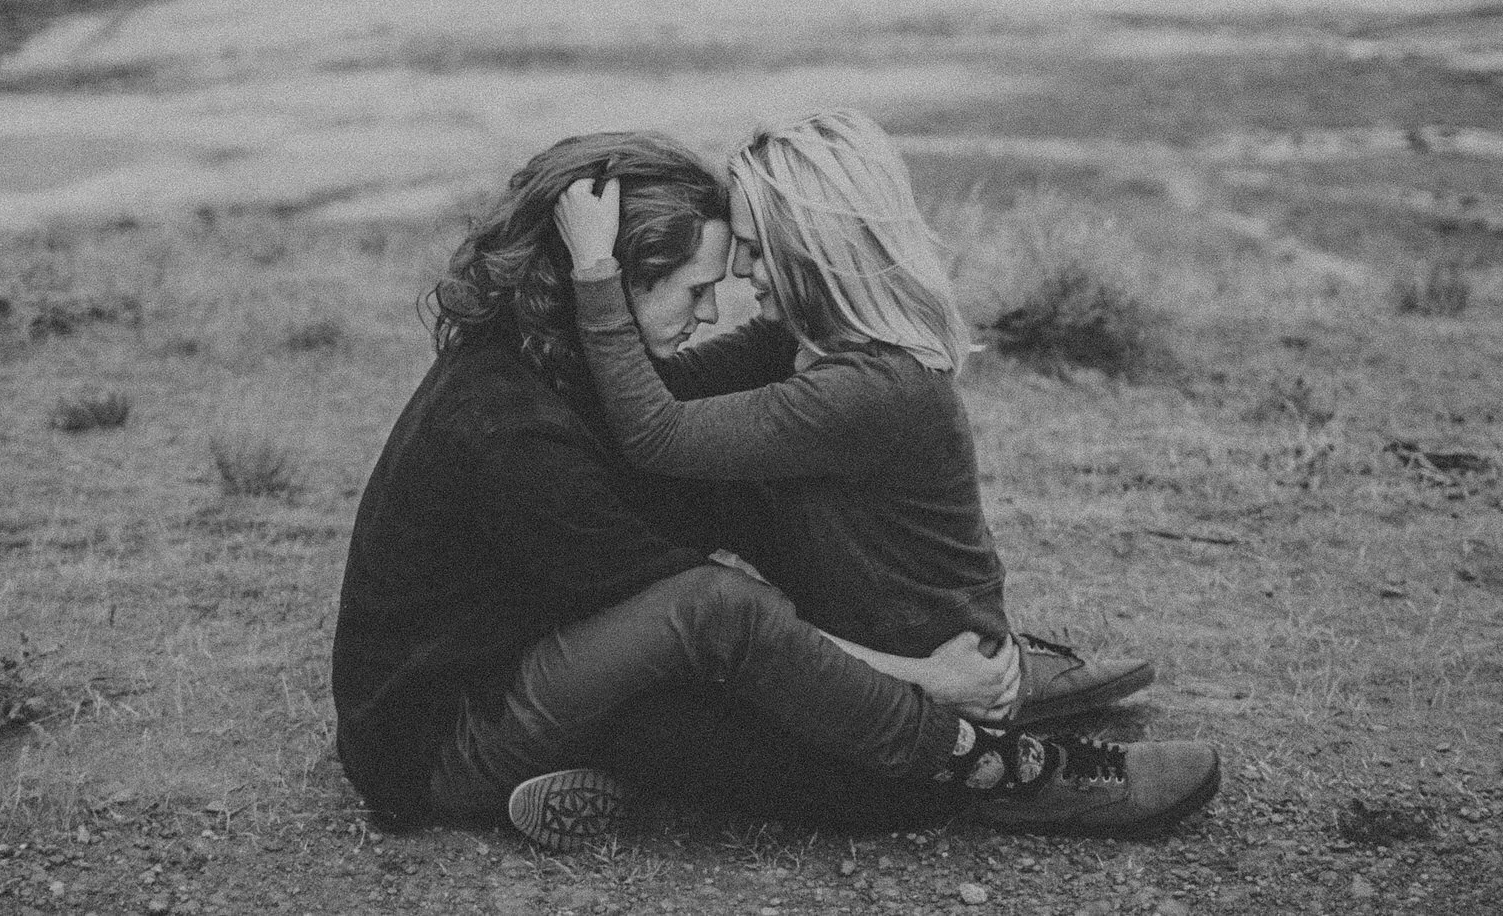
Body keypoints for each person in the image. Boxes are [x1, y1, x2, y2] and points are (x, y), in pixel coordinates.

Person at [331, 130, 1214, 851]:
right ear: (625, 274)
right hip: (445, 739)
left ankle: (983, 674)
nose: (714, 309)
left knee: (754, 709)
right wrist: (921, 679)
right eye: (697, 286)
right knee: (743, 642)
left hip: (539, 660)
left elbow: (679, 447)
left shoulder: (543, 359)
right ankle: (992, 762)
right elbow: (712, 606)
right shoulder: (513, 431)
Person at [556, 108, 1217, 818]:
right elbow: (667, 391)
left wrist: (595, 270)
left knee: (673, 728)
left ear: (812, 247)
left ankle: (1027, 775)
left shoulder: (870, 389)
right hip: (887, 648)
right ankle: (1026, 686)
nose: (743, 272)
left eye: (754, 249)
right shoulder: (805, 344)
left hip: (914, 683)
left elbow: (656, 431)